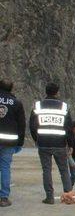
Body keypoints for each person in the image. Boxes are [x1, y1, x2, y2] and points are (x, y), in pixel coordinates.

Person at [30, 82, 73, 204]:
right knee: (64, 170)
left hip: (43, 142)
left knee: (47, 170)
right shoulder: (64, 106)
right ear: (57, 92)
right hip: (60, 143)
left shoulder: (38, 106)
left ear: (46, 91)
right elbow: (68, 127)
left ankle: (49, 197)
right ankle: (69, 196)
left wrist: (37, 139)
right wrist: (70, 144)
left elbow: (32, 126)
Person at [0, 79, 26, 207]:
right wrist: (20, 142)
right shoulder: (16, 102)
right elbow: (21, 124)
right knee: (5, 168)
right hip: (9, 141)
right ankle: (4, 197)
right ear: (11, 88)